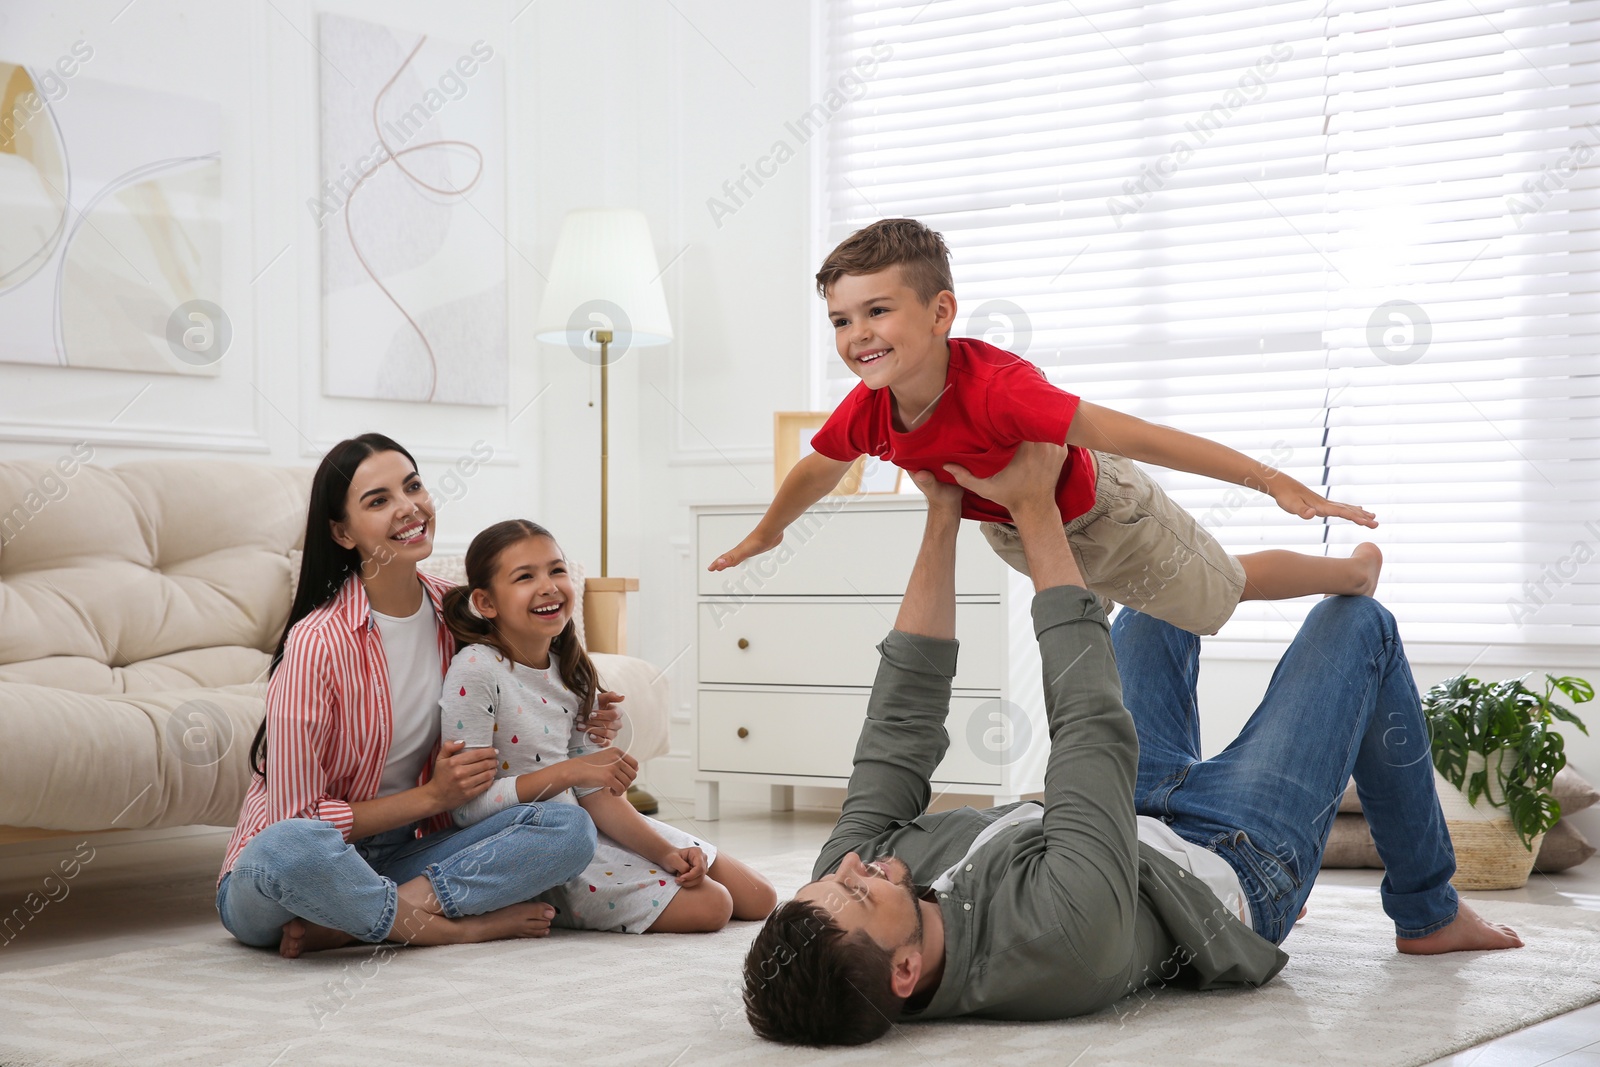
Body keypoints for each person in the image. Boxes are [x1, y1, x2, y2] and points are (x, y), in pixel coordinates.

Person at [740, 440, 1521, 1047]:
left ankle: (1314, 570)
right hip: (1237, 856)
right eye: (854, 893)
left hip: (1131, 813)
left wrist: (943, 510)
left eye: (833, 879)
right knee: (1357, 626)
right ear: (906, 971)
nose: (848, 867)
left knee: (1156, 601)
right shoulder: (1057, 943)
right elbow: (1089, 728)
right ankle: (1428, 909)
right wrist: (1038, 510)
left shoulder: (849, 887)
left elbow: (898, 722)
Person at [710, 217, 1382, 637]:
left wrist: (1271, 480)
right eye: (840, 320)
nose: (857, 336)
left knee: (1227, 587)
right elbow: (818, 468)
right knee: (1084, 640)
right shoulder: (868, 406)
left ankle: (1352, 574)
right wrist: (769, 531)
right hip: (1019, 531)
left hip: (1108, 518)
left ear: (941, 310)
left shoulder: (1001, 392)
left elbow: (1136, 436)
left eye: (877, 311)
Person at [216, 434, 622, 958]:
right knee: (294, 847)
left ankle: (352, 922)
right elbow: (295, 820)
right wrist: (431, 798)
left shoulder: (457, 613)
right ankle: (451, 928)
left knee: (567, 827)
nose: (409, 508)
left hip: (403, 857)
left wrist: (583, 714)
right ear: (342, 533)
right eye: (378, 500)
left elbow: (524, 687)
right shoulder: (318, 641)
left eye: (412, 486)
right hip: (283, 874)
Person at [438, 519, 777, 933]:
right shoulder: (475, 670)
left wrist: (665, 852)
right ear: (486, 603)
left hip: (593, 825)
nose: (548, 585)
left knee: (760, 897)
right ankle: (530, 896)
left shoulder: (572, 670)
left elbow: (594, 794)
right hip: (538, 848)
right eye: (525, 576)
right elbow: (466, 810)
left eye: (556, 570)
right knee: (712, 907)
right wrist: (568, 772)